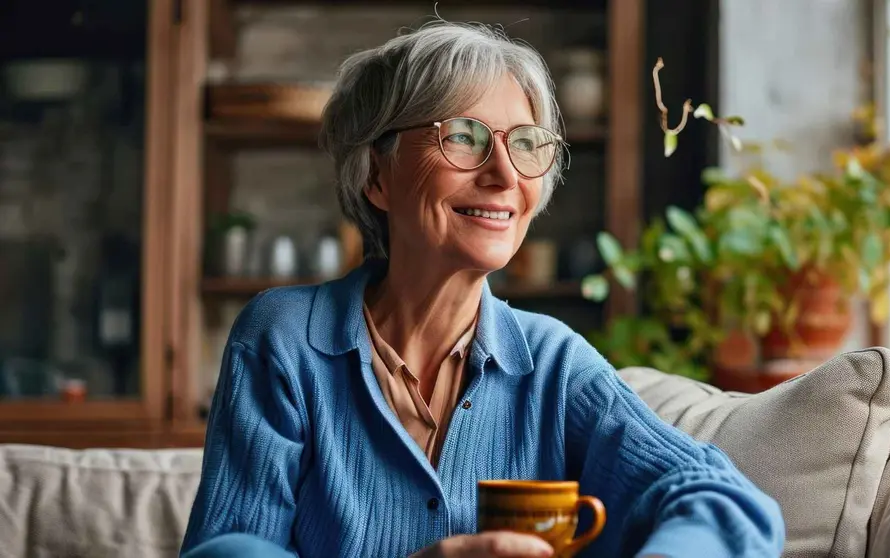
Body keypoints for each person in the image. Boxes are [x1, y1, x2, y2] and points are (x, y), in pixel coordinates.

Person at [181, 21, 785, 558]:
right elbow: (230, 546)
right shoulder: (284, 340)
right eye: (464, 137)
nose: (503, 175)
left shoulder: (553, 363)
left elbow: (719, 500)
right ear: (377, 175)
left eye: (524, 143)